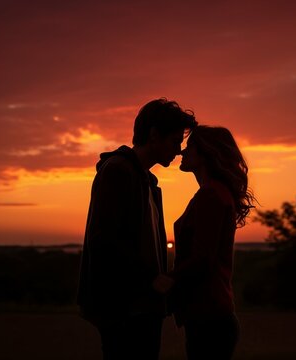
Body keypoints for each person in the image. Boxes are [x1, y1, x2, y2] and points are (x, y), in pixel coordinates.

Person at [77, 98, 197, 360]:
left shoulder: (145, 180)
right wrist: (151, 279)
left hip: (141, 307)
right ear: (154, 135)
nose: (178, 151)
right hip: (124, 309)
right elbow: (104, 239)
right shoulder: (119, 171)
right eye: (175, 141)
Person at [153, 125, 255, 360]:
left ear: (205, 153)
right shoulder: (214, 193)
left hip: (210, 317)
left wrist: (166, 280)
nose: (182, 153)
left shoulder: (212, 195)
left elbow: (203, 259)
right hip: (210, 315)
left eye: (190, 148)